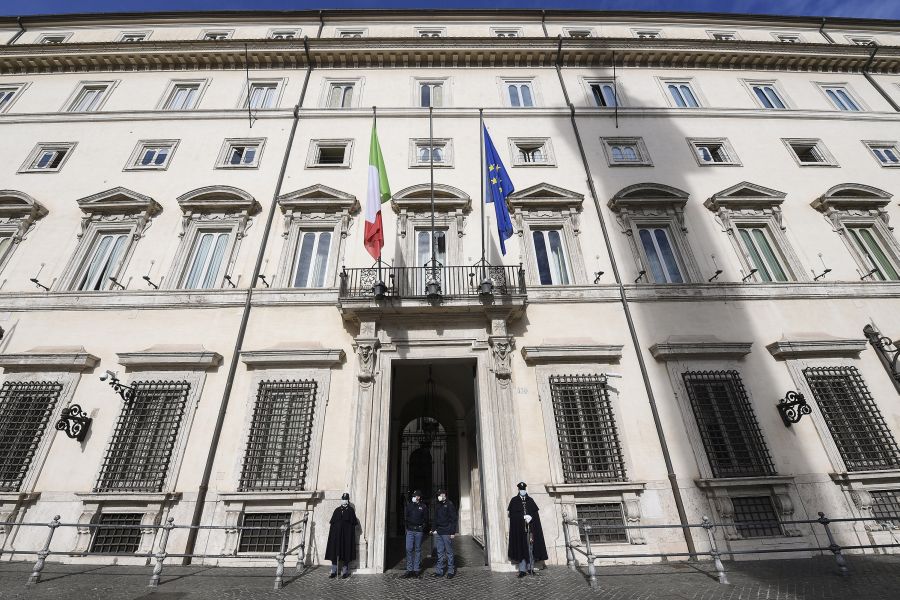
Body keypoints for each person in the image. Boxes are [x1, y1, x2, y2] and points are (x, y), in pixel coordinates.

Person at [507, 481, 548, 577]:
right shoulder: (514, 501)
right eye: (521, 489)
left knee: (531, 548)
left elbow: (535, 515)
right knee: (521, 548)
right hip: (519, 531)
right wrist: (522, 517)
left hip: (530, 530)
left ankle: (530, 568)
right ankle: (522, 570)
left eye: (524, 489)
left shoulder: (530, 500)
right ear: (518, 490)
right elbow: (513, 516)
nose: (522, 491)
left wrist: (531, 517)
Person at [324, 492, 359, 579]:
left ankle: (345, 572)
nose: (344, 500)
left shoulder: (351, 511)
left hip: (346, 538)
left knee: (346, 553)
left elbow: (353, 524)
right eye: (343, 499)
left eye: (345, 499)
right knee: (334, 553)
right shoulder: (337, 510)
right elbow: (332, 524)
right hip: (336, 537)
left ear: (348, 500)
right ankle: (333, 571)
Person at [431, 488, 458, 579]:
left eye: (440, 495)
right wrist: (433, 528)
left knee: (449, 552)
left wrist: (453, 532)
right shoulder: (438, 505)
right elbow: (435, 518)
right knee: (440, 552)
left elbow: (453, 519)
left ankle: (450, 571)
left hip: (447, 532)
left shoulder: (449, 504)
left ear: (444, 495)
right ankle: (439, 571)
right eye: (438, 495)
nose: (438, 496)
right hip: (439, 531)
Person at [402, 489, 429, 578]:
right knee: (409, 549)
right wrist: (407, 527)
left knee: (417, 549)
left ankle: (416, 570)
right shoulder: (409, 506)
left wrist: (422, 527)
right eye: (413, 496)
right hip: (410, 530)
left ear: (419, 497)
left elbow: (426, 518)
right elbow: (406, 517)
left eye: (415, 496)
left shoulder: (423, 506)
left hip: (418, 531)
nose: (413, 497)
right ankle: (409, 569)